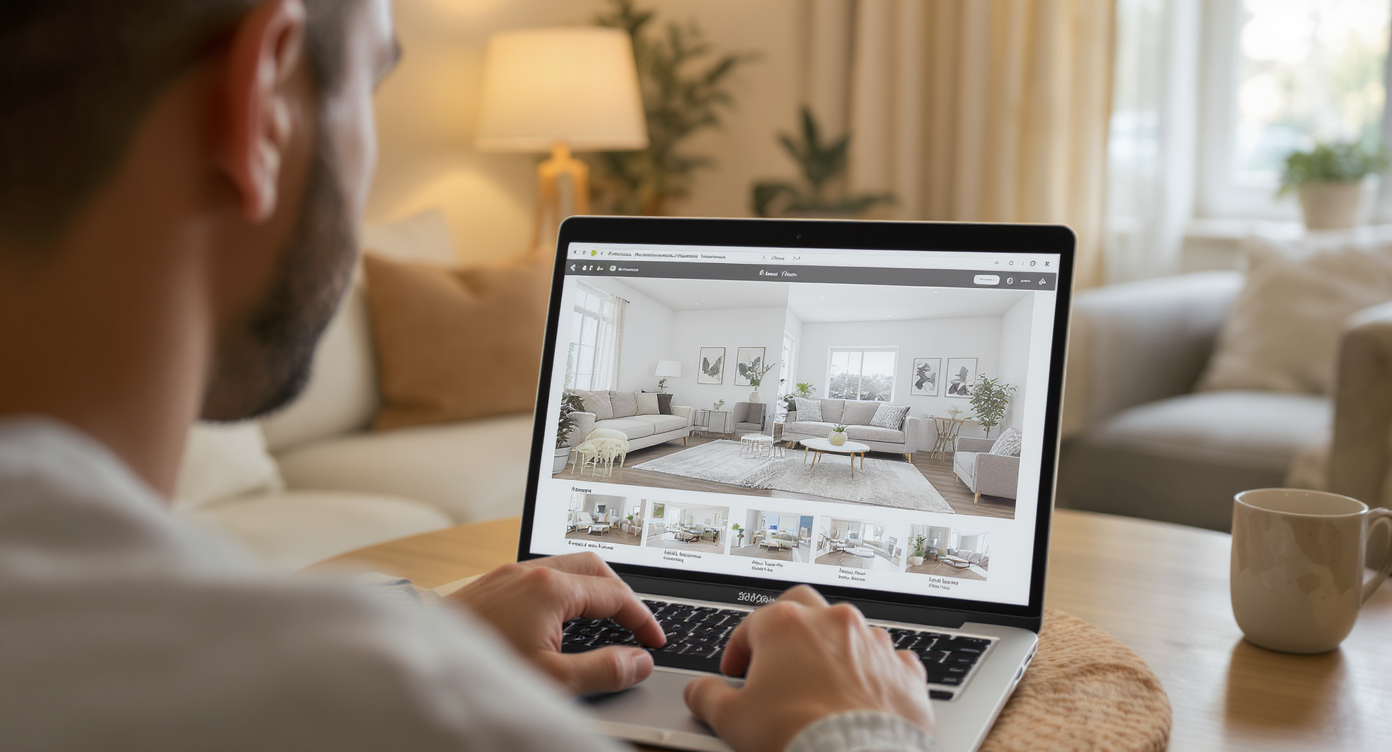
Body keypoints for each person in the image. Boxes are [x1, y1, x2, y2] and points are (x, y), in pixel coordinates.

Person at [0, 2, 938, 750]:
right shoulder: (406, 711)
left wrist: (429, 626)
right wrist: (858, 732)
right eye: (374, 79)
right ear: (261, 107)